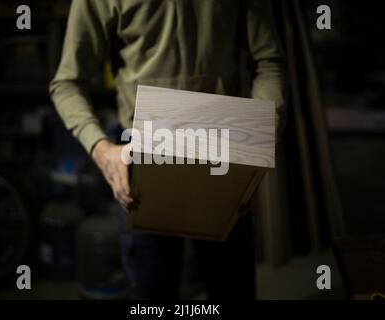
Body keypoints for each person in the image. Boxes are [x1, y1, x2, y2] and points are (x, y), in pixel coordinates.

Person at [50, 0, 285, 299]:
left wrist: (264, 135)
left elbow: (268, 62)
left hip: (223, 153)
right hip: (144, 158)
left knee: (231, 286)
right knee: (153, 293)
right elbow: (67, 82)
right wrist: (102, 149)